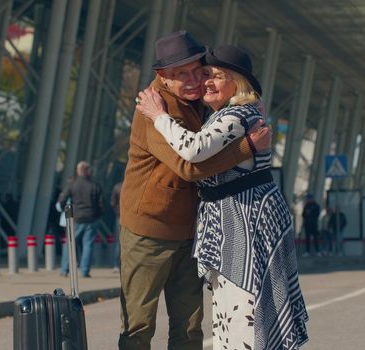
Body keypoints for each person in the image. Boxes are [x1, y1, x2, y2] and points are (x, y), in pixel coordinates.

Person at [137, 44, 308, 349]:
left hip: (246, 220)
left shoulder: (236, 114)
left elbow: (193, 150)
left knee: (244, 308)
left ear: (238, 84)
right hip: (241, 217)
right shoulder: (234, 113)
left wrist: (158, 115)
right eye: (206, 75)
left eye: (218, 75)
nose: (207, 82)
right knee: (238, 308)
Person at [119, 31, 271, 350]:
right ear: (163, 76)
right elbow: (187, 166)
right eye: (180, 75)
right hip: (149, 231)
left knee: (189, 328)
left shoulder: (202, 104)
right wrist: (247, 147)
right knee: (139, 327)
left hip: (190, 231)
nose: (193, 81)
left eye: (196, 71)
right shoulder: (153, 108)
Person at [58, 162, 102, 278]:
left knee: (70, 244)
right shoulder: (95, 185)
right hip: (91, 218)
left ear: (78, 171)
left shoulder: (73, 185)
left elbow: (62, 200)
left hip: (75, 218)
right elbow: (101, 204)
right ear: (88, 171)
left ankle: (64, 269)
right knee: (88, 245)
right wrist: (97, 215)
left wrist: (66, 211)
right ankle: (85, 270)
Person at [109, 180, 122, 273]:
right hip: (132, 217)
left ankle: (116, 264)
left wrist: (117, 212)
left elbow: (113, 203)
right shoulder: (135, 185)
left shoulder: (118, 186)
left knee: (118, 242)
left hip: (120, 216)